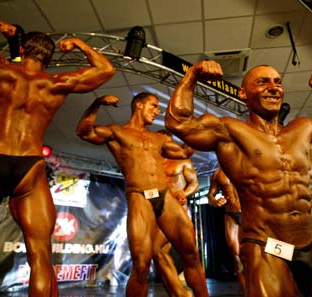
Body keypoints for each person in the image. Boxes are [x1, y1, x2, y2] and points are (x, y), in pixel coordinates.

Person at [165, 61, 312, 296]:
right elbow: (179, 122)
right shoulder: (230, 131)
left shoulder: (305, 129)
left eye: (277, 82)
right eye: (263, 82)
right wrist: (192, 75)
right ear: (243, 94)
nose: (273, 87)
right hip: (267, 246)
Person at [0, 15, 116, 297]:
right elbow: (105, 69)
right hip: (29, 169)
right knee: (40, 257)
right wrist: (78, 44)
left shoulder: (0, 68)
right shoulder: (55, 83)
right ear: (49, 58)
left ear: (23, 50)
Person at [76, 93, 208, 297]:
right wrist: (97, 103)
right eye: (153, 106)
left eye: (157, 108)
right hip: (140, 196)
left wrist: (190, 128)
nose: (156, 111)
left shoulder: (159, 138)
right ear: (139, 105)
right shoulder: (117, 132)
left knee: (191, 254)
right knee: (141, 263)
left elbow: (183, 153)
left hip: (165, 196)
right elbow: (83, 132)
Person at [152, 133, 199, 297]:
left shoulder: (182, 160)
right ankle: (176, 292)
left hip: (177, 214)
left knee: (188, 257)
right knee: (158, 254)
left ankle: (184, 292)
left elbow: (194, 184)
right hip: (157, 213)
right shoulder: (154, 164)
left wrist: (184, 193)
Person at [207, 167, 245, 292]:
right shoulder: (217, 174)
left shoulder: (245, 165)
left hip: (249, 213)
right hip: (230, 214)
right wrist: (215, 201)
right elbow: (210, 196)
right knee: (236, 256)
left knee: (257, 254)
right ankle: (247, 293)